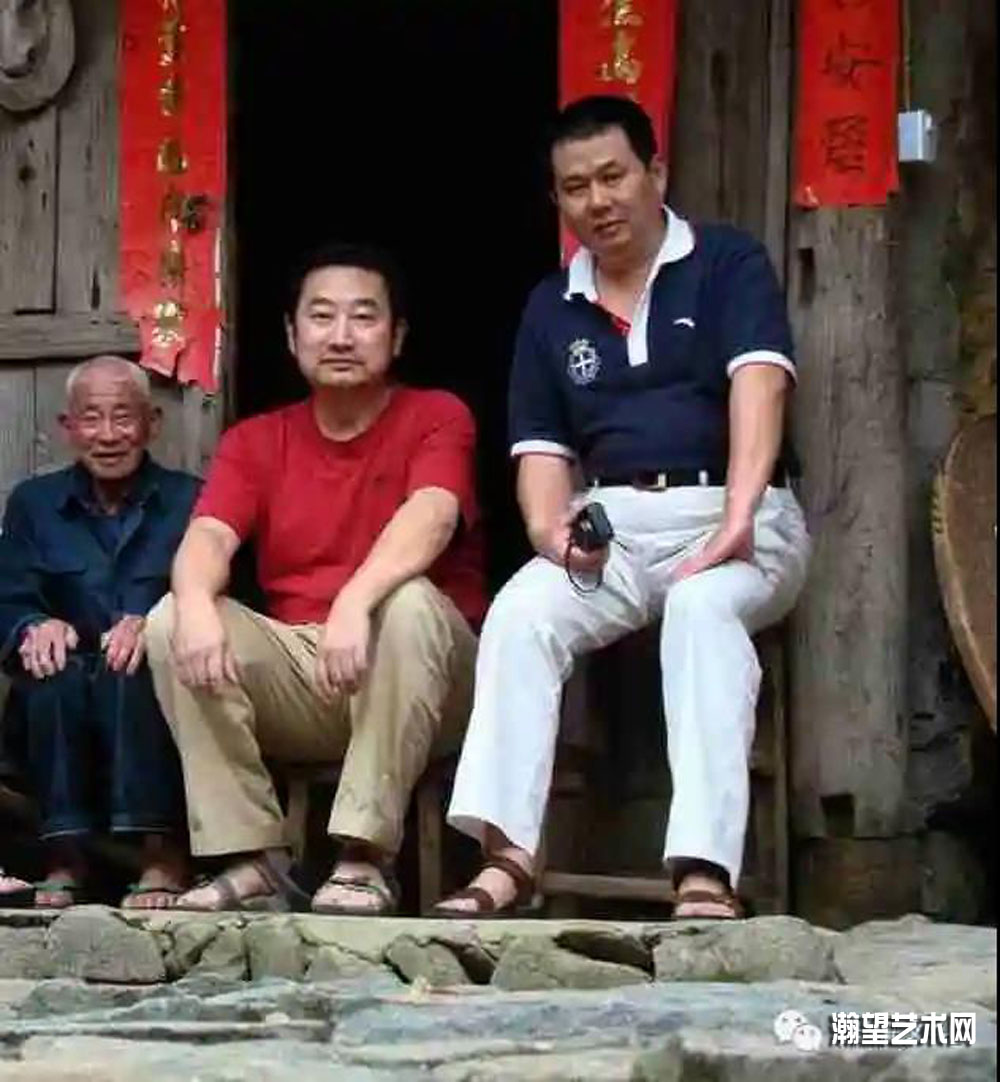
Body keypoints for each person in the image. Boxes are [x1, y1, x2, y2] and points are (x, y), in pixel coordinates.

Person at [436, 95, 810, 919]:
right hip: (618, 527)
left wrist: (738, 514)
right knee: (522, 612)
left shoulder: (727, 263)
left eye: (614, 176)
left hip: (739, 511)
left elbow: (760, 386)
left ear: (656, 174)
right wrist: (553, 535)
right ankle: (507, 858)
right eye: (576, 187)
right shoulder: (551, 305)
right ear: (557, 200)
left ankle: (704, 870)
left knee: (703, 610)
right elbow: (541, 452)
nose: (597, 200)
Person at [144, 242, 484, 914]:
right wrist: (195, 600)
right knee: (171, 619)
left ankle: (363, 855)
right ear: (291, 334)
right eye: (322, 316)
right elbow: (209, 536)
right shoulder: (255, 440)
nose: (341, 336)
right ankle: (250, 859)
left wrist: (357, 599)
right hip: (311, 672)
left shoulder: (437, 415)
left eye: (363, 317)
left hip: (430, 678)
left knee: (409, 603)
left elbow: (434, 514)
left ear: (397, 336)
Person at [0, 356, 198, 909]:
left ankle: (161, 855)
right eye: (91, 418)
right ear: (68, 427)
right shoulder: (33, 505)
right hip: (62, 688)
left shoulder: (189, 501)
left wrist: (154, 623)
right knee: (53, 675)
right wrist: (32, 626)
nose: (108, 435)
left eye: (124, 417)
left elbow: (218, 592)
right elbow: (8, 593)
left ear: (152, 424)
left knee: (133, 668)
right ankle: (65, 858)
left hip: (150, 682)